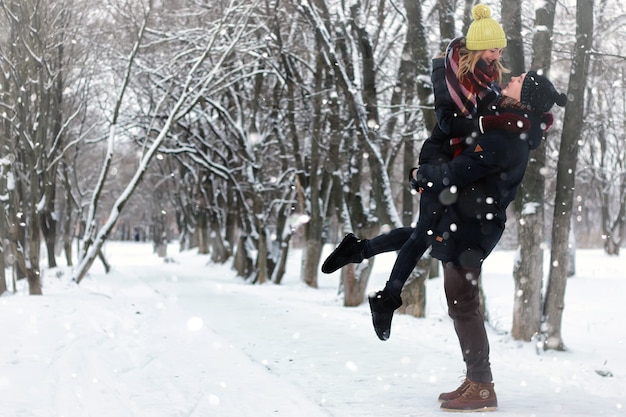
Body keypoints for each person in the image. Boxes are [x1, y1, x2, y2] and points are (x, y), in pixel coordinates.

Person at [321, 4, 527, 340]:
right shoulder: (448, 77)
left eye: (500, 49)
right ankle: (387, 297)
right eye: (492, 49)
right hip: (440, 155)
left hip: (457, 161)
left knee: (427, 233)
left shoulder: (490, 80)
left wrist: (526, 119)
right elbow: (447, 124)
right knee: (425, 232)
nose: (497, 55)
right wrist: (486, 123)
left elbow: (497, 118)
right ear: (475, 48)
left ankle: (358, 250)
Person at [412, 71, 567, 412]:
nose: (511, 76)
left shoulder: (505, 139)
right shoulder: (508, 129)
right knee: (460, 303)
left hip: (472, 229)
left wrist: (420, 175)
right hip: (470, 223)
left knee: (463, 304)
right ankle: (476, 378)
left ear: (523, 95)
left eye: (519, 79)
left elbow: (456, 173)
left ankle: (482, 386)